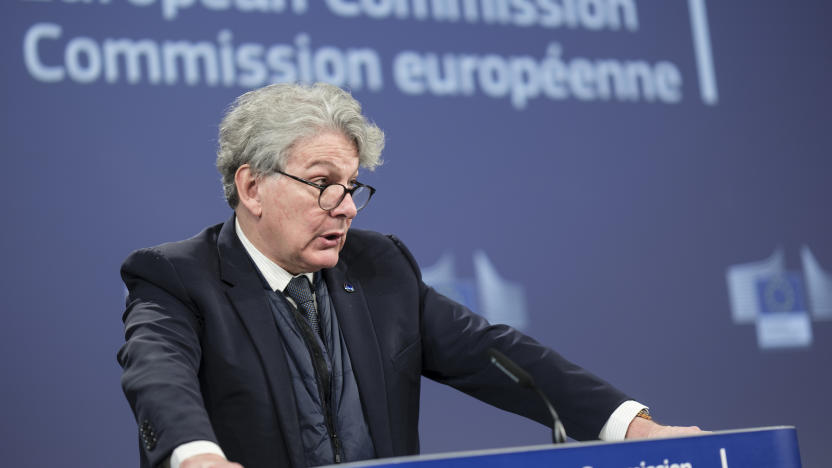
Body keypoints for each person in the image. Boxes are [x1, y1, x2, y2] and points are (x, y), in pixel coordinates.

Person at [118, 83, 700, 468]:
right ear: (251, 188)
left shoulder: (379, 267)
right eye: (323, 183)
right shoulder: (178, 277)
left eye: (351, 187)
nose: (344, 206)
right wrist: (197, 457)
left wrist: (631, 428)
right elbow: (158, 376)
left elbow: (493, 352)